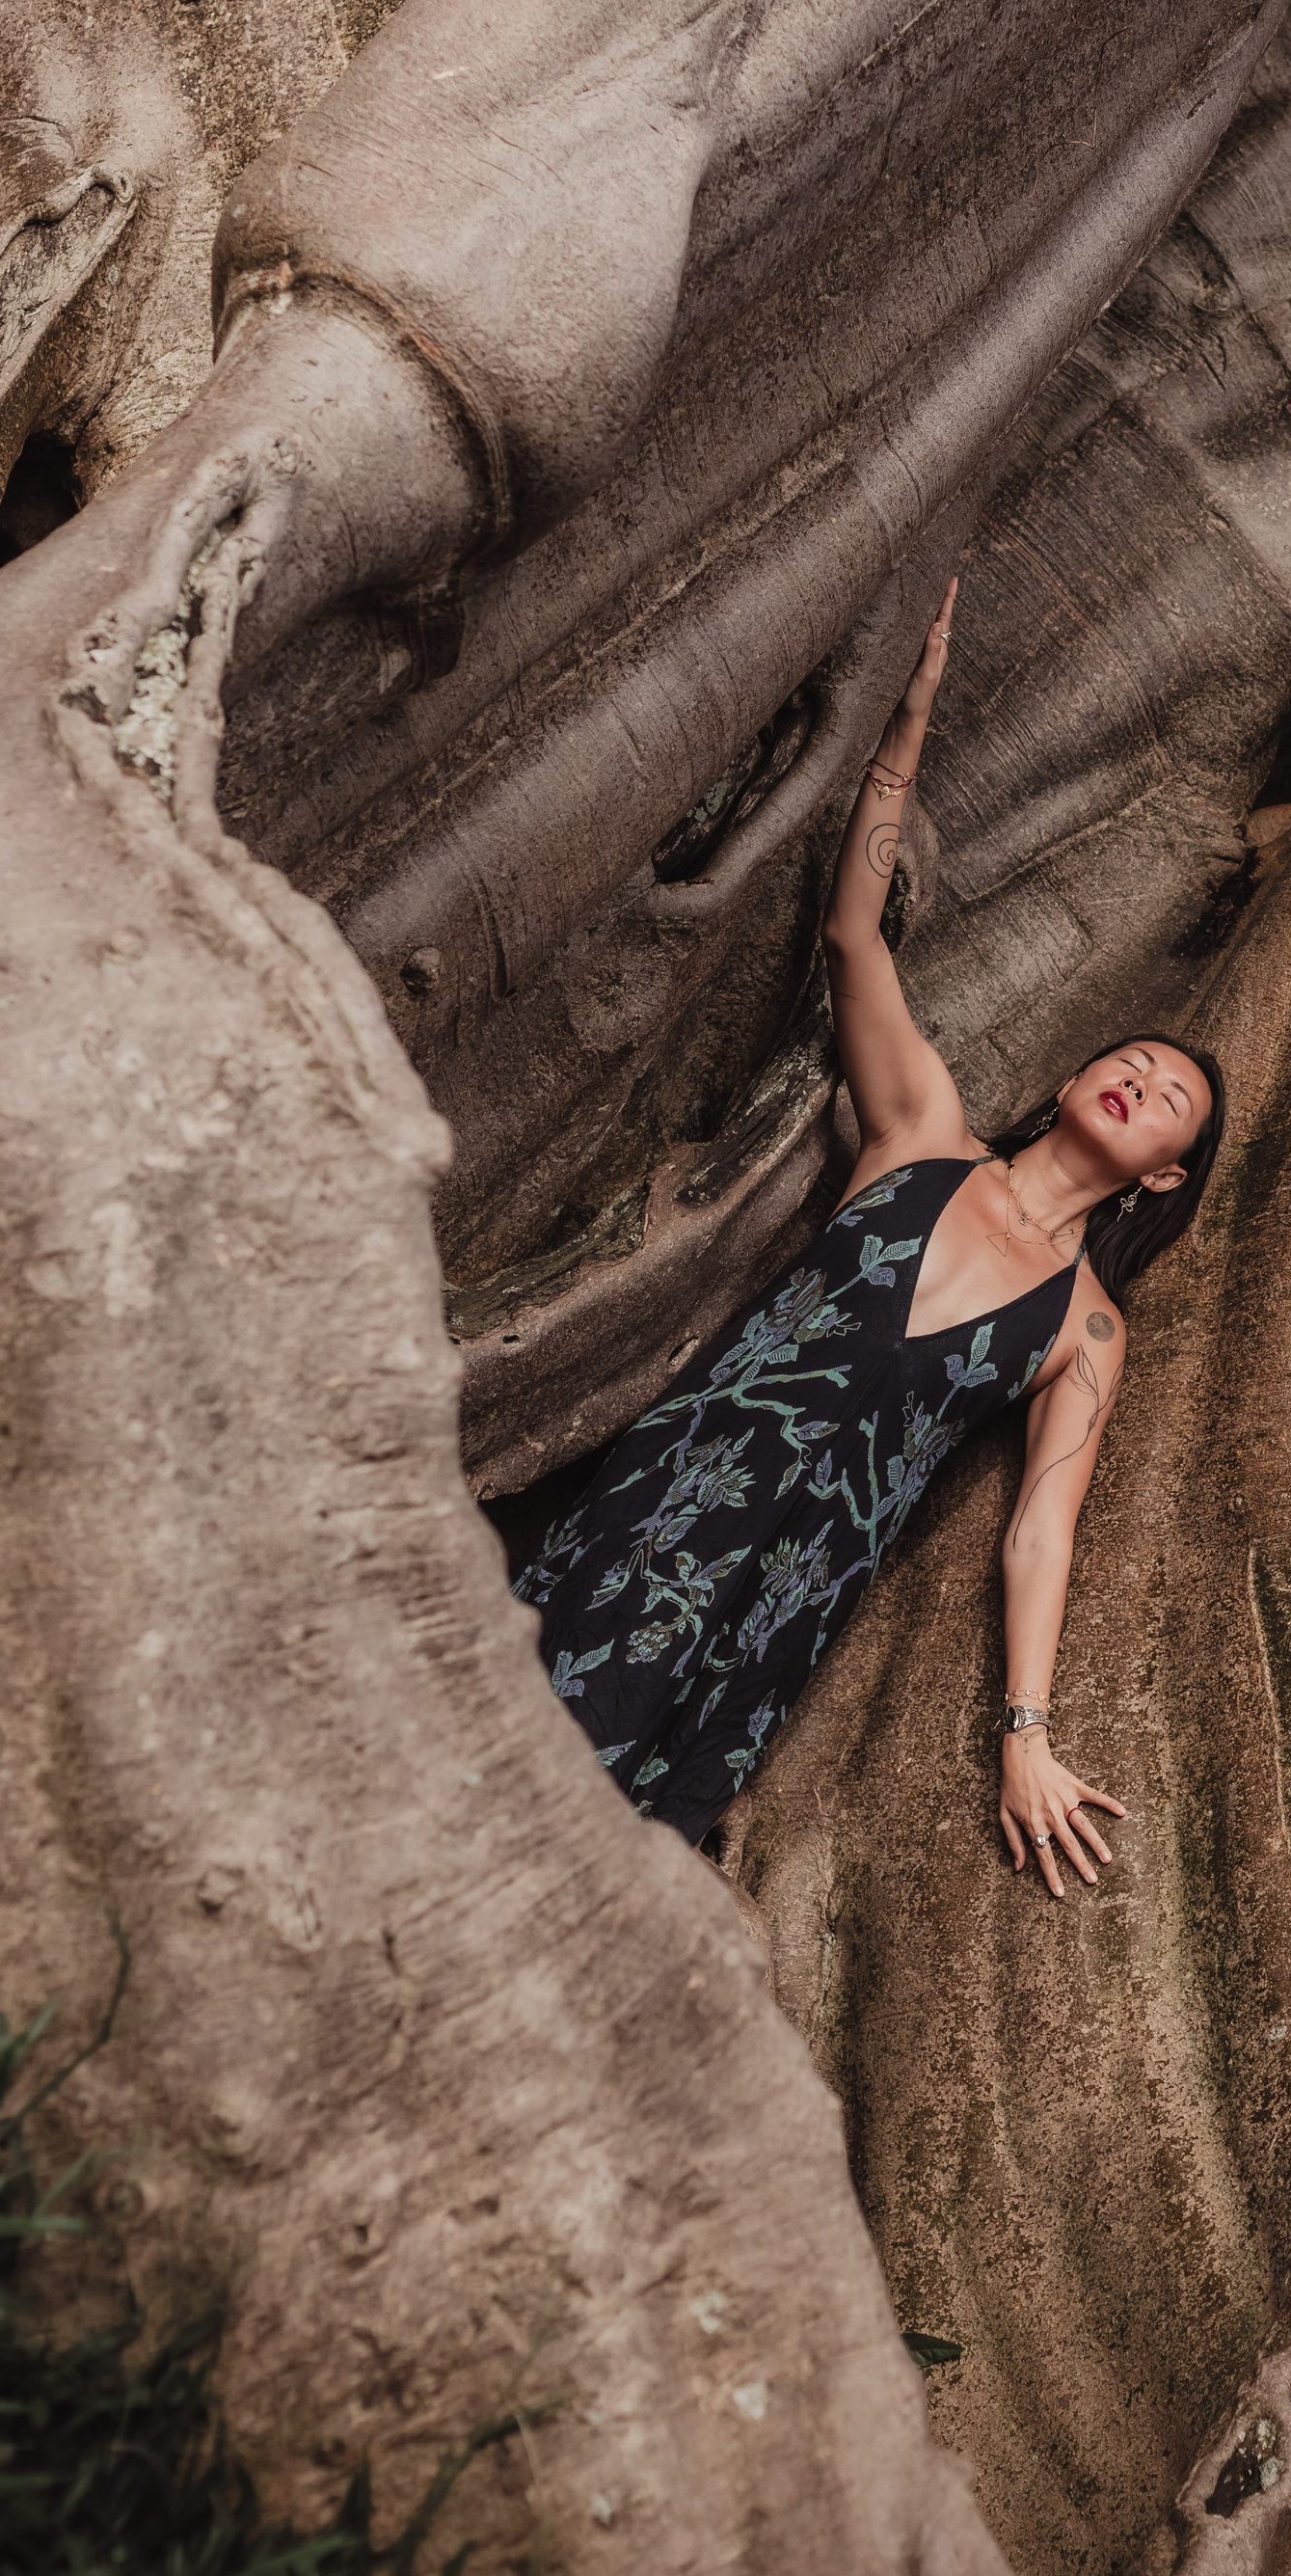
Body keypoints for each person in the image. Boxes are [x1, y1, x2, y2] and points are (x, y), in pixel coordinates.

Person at [514, 581, 1224, 1894]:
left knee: (597, 1858)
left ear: (1164, 1171)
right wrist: (905, 724)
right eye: (1128, 1055)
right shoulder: (921, 1133)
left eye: (1164, 1095)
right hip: (675, 1493)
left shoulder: (1086, 1329)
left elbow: (1039, 1532)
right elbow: (854, 932)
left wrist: (1028, 1736)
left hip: (787, 1587)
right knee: (510, 1727)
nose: (1135, 1075)